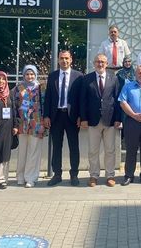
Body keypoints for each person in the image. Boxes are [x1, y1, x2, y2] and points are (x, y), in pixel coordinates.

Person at [79, 54, 122, 187]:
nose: (100, 64)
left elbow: (117, 100)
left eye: (102, 62)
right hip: (92, 120)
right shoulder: (87, 79)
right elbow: (83, 101)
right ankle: (93, 175)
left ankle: (110, 175)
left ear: (107, 63)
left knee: (110, 150)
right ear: (94, 63)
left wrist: (118, 119)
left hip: (110, 120)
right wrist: (84, 118)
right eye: (98, 62)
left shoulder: (114, 78)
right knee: (93, 150)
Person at [43, 50, 84, 186]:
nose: (64, 61)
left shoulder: (78, 76)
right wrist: (46, 116)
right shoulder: (52, 76)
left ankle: (74, 175)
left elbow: (81, 98)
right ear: (58, 60)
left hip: (72, 117)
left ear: (71, 59)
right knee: (57, 147)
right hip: (56, 116)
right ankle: (57, 174)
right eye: (62, 58)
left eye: (67, 58)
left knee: (74, 146)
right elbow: (48, 97)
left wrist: (81, 116)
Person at [12, 65, 45, 188]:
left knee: (34, 152)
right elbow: (14, 106)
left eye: (32, 74)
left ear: (35, 75)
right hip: (22, 123)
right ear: (23, 75)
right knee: (22, 151)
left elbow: (44, 104)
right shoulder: (18, 88)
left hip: (36, 123)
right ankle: (20, 176)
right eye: (27, 74)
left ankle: (31, 178)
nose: (29, 76)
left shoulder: (41, 87)